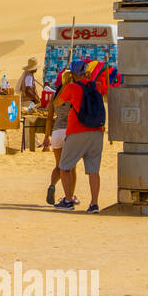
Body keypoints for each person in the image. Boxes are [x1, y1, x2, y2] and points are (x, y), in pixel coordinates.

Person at [54, 60, 107, 213]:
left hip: (77, 131)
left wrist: (66, 82)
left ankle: (68, 200)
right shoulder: (96, 86)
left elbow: (57, 102)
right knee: (93, 170)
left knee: (64, 167)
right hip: (97, 131)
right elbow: (105, 91)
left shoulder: (72, 87)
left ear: (73, 73)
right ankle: (94, 204)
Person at [41, 69, 77, 206]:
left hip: (56, 132)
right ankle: (70, 196)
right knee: (71, 167)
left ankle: (52, 185)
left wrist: (46, 136)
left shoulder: (54, 97)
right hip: (70, 132)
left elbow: (49, 118)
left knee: (59, 165)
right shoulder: (74, 95)